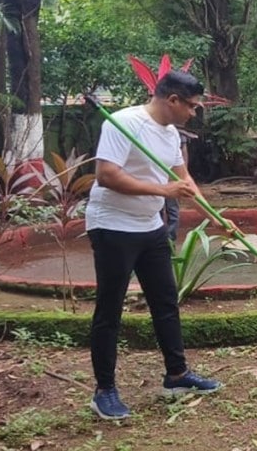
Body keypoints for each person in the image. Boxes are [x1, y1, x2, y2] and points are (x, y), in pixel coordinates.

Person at [85, 71, 222, 420]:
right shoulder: (123, 123)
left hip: (149, 226)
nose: (193, 113)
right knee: (110, 309)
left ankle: (176, 376)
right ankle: (105, 390)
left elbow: (182, 179)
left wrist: (214, 215)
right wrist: (164, 192)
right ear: (172, 100)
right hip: (112, 226)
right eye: (191, 106)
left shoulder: (171, 133)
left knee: (165, 301)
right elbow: (107, 175)